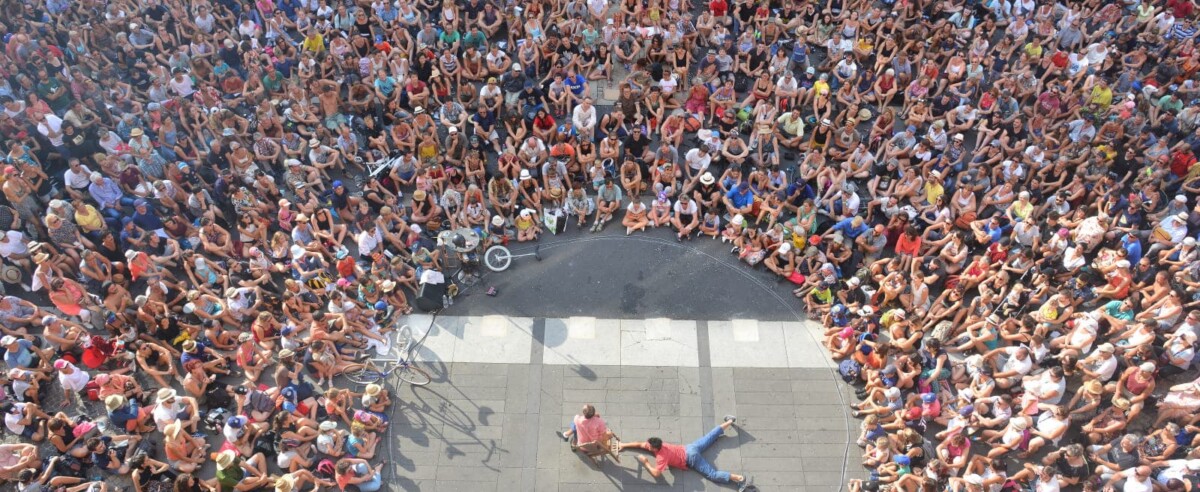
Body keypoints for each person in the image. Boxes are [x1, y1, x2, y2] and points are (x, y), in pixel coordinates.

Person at [619, 416, 753, 491]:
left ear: (655, 449)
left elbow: (656, 473)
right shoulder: (659, 445)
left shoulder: (661, 458)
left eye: (649, 447)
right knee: (710, 437)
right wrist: (623, 445)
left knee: (712, 475)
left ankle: (740, 479)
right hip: (690, 448)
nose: (646, 446)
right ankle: (729, 421)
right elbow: (639, 444)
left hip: (691, 459)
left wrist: (646, 462)